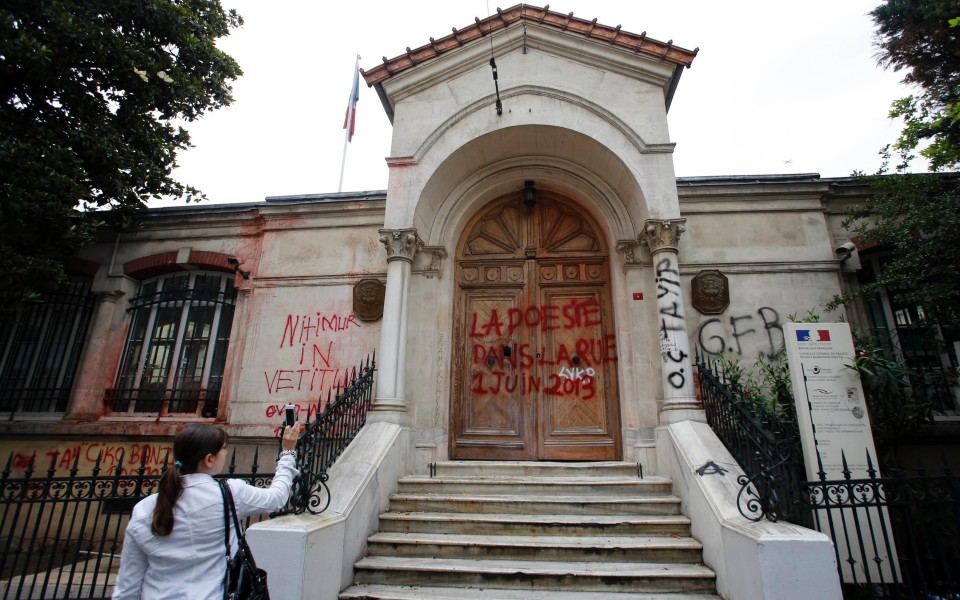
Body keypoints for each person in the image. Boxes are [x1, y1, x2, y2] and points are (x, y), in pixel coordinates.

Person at [112, 424, 300, 599]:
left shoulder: (144, 509)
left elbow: (128, 587)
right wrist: (288, 452)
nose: (226, 453)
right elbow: (276, 497)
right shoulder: (231, 495)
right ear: (209, 459)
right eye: (223, 449)